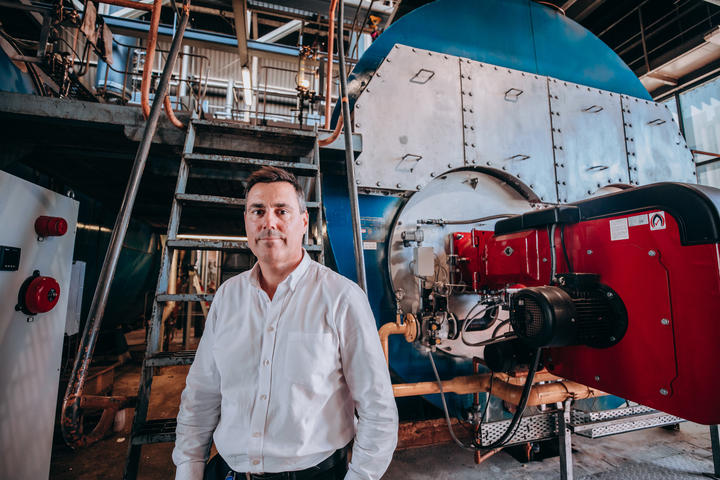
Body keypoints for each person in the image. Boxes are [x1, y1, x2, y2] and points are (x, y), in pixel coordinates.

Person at [173, 166, 398, 480]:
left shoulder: (342, 298)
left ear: (304, 222)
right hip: (230, 472)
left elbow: (378, 409)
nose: (269, 222)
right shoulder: (228, 297)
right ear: (247, 222)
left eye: (282, 211)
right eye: (258, 211)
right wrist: (188, 467)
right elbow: (201, 395)